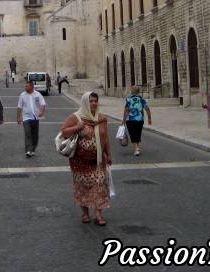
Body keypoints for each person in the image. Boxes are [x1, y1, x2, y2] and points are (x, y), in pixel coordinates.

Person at [61, 92, 111, 226]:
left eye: (95, 101)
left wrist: (109, 154)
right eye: (90, 101)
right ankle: (85, 213)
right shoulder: (76, 117)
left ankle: (98, 214)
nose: (93, 103)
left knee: (100, 186)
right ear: (85, 103)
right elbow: (64, 132)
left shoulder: (101, 118)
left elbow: (105, 138)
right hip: (79, 162)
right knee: (83, 187)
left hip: (98, 160)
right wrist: (79, 126)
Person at [16, 80, 46, 157]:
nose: (25, 87)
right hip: (26, 117)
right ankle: (28, 150)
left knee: (35, 135)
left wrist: (41, 111)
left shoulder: (38, 94)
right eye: (25, 86)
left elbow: (42, 104)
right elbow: (19, 107)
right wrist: (18, 117)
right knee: (28, 134)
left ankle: (33, 148)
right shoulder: (22, 95)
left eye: (27, 86)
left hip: (35, 117)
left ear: (32, 86)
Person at [122, 85, 152, 156]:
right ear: (138, 92)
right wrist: (149, 118)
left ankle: (136, 148)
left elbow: (126, 109)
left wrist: (123, 119)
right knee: (138, 133)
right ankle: (136, 148)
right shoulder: (141, 99)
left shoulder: (129, 99)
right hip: (140, 119)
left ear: (131, 91)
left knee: (132, 133)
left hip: (130, 119)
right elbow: (147, 108)